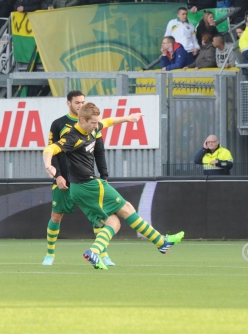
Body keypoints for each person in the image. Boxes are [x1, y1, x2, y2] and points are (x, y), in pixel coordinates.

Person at [42, 103, 183, 270]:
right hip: (90, 185)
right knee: (127, 208)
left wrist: (128, 118)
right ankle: (161, 242)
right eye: (93, 123)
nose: (96, 126)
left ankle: (95, 251)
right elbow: (50, 149)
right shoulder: (73, 137)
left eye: (96, 122)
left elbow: (109, 121)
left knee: (113, 223)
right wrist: (48, 165)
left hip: (78, 189)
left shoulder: (92, 128)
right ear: (82, 120)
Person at [41, 91, 113, 267]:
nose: (80, 105)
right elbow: (53, 150)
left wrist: (104, 176)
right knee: (56, 216)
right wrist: (58, 175)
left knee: (97, 216)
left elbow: (99, 152)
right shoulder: (58, 124)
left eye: (83, 102)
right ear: (69, 103)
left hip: (86, 179)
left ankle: (103, 254)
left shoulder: (92, 124)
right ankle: (50, 254)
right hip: (64, 179)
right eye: (77, 102)